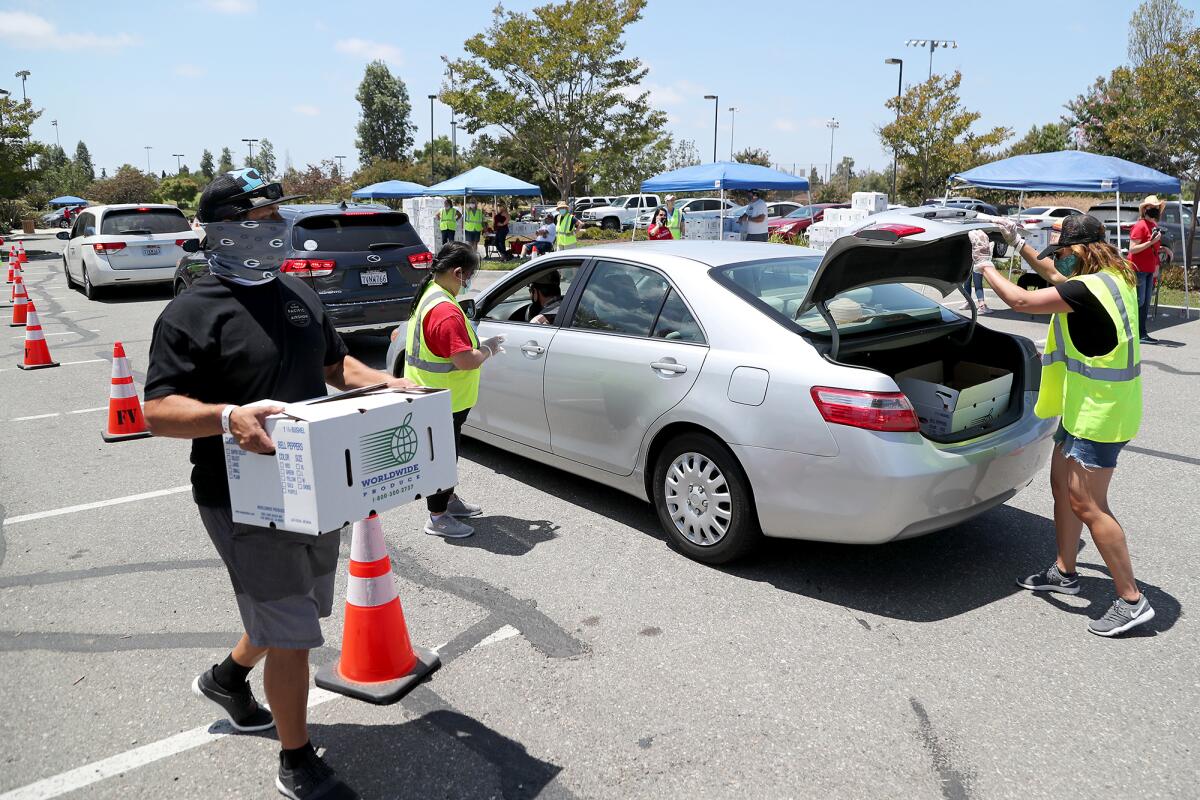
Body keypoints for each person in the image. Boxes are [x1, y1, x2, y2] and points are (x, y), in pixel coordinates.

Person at [144, 168, 417, 799]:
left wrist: (382, 382)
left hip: (315, 484)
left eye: (276, 219)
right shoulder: (190, 312)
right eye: (260, 220)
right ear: (222, 229)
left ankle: (227, 678)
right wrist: (225, 418)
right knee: (294, 626)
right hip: (241, 499)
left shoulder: (299, 294)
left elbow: (334, 364)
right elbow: (157, 411)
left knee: (295, 607)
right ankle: (296, 761)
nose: (275, 229)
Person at [968, 215, 1153, 637]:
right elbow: (1052, 274)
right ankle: (1065, 571)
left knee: (1089, 505)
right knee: (1060, 487)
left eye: (1065, 253)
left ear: (1083, 252)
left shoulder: (1086, 290)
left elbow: (1020, 302)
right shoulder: (1113, 275)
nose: (1060, 261)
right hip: (1084, 406)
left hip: (1102, 415)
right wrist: (1017, 244)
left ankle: (1131, 600)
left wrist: (985, 266)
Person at [405, 241, 505, 538]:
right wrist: (489, 349)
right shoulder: (445, 310)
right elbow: (464, 361)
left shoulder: (430, 293)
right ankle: (437, 517)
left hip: (434, 395)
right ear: (458, 272)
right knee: (443, 458)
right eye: (470, 276)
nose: (469, 283)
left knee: (446, 453)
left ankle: (448, 500)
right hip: (442, 400)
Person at [1128, 195, 1164, 343]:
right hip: (1139, 269)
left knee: (1144, 303)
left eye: (1156, 208)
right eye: (1152, 208)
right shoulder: (1140, 226)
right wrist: (1151, 242)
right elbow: (1133, 249)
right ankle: (1137, 333)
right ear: (1145, 210)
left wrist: (1162, 249)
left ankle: (1142, 332)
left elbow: (1151, 247)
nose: (1155, 210)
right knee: (1139, 302)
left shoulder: (1152, 226)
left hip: (1148, 270)